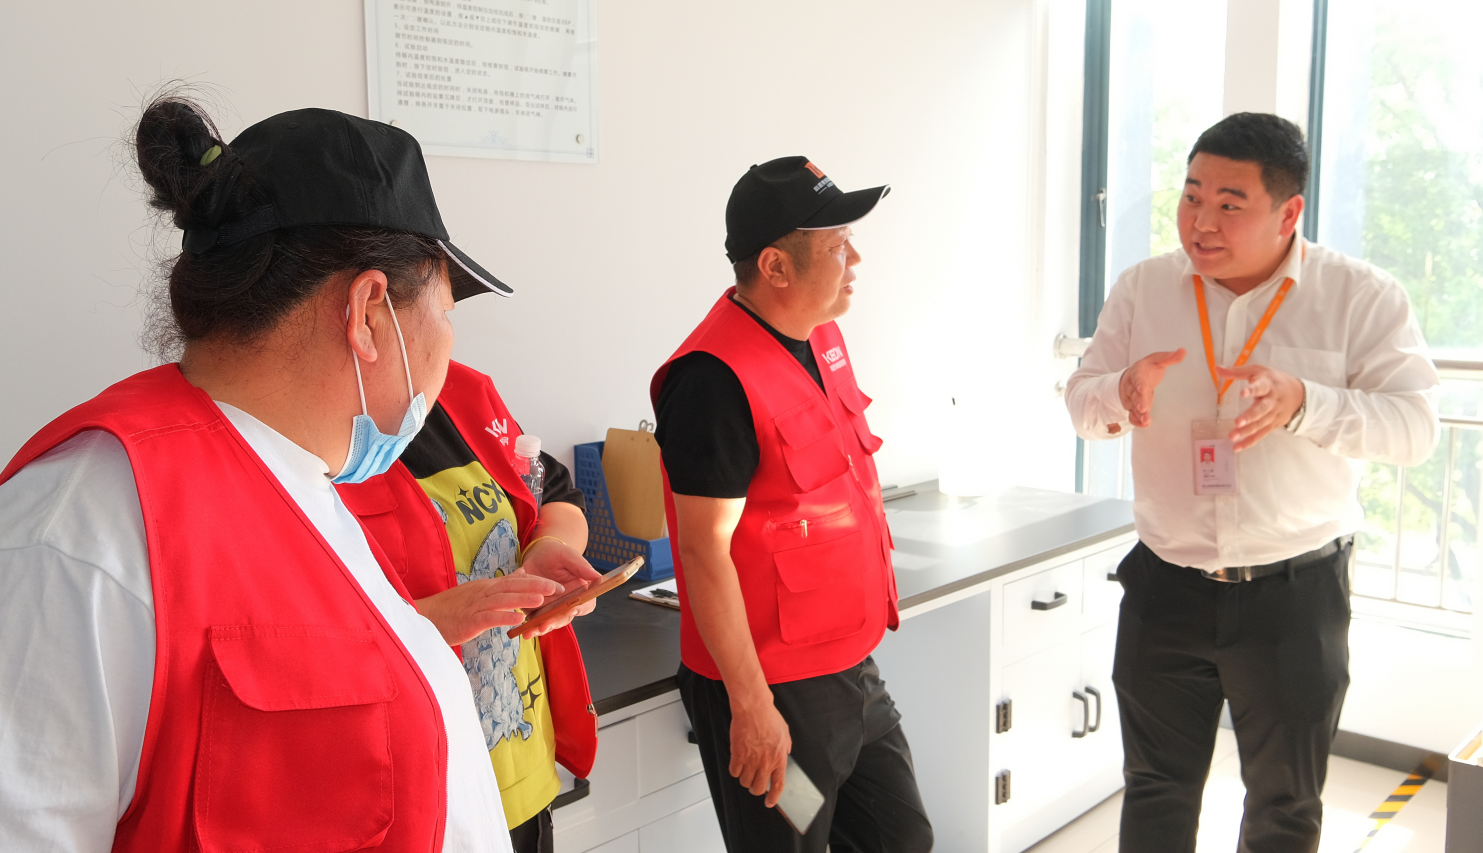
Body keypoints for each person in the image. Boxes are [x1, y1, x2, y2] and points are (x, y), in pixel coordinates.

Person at [0, 97, 569, 852]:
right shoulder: (82, 534)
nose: (449, 348)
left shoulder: (301, 481)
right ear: (369, 312)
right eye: (445, 310)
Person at [1066, 113, 1439, 852]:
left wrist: (1305, 402)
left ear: (1288, 212)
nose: (1200, 221)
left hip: (1292, 594)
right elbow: (1082, 402)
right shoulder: (1144, 287)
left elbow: (1413, 428)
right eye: (1191, 196)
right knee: (1155, 786)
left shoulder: (1359, 296)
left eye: (1229, 204)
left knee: (1284, 804)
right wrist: (1118, 390)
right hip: (1165, 584)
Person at [650, 156, 933, 853]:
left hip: (849, 674)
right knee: (793, 842)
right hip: (776, 695)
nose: (855, 259)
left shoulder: (820, 335)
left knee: (900, 838)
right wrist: (751, 706)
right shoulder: (711, 381)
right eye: (837, 245)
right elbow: (701, 551)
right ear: (775, 266)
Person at [338, 360, 605, 853]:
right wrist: (427, 623)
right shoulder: (311, 436)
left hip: (517, 768)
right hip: (414, 795)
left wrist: (548, 545)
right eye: (439, 316)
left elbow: (554, 490)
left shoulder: (459, 393)